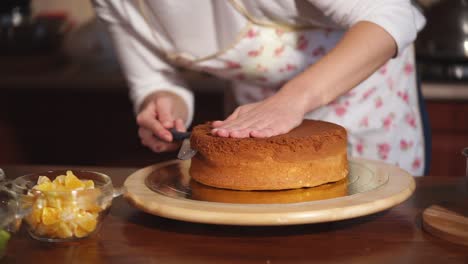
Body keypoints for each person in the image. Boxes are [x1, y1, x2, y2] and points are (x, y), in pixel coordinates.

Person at [93, 0, 428, 176]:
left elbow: (390, 13)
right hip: (259, 126)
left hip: (367, 107)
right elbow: (155, 80)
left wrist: (291, 100)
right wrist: (162, 102)